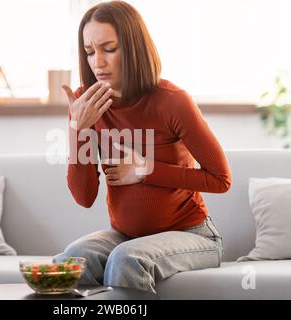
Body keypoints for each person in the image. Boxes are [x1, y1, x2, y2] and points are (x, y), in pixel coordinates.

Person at [54, 0, 232, 294]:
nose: (98, 62)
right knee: (69, 263)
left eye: (108, 49)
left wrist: (146, 170)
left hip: (193, 235)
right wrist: (78, 129)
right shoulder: (86, 104)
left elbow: (221, 179)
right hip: (126, 236)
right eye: (89, 52)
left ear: (133, 46)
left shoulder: (172, 101)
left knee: (126, 259)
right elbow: (84, 197)